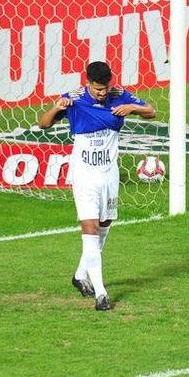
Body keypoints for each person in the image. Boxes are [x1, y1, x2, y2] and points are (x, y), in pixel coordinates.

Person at [38, 60, 156, 311]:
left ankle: (80, 275)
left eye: (105, 88)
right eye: (97, 89)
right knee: (89, 230)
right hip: (84, 175)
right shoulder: (73, 99)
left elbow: (151, 111)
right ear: (88, 82)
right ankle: (101, 294)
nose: (102, 93)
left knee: (103, 226)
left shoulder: (118, 95)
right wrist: (55, 107)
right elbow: (44, 123)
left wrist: (131, 107)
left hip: (109, 174)